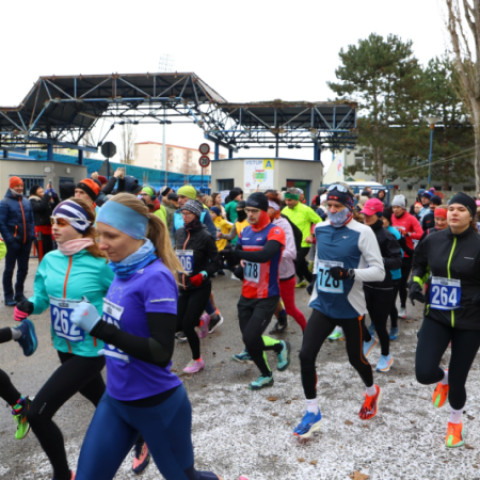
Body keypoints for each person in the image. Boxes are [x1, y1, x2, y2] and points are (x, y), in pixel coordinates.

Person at [69, 193, 224, 480]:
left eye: (111, 236)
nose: (102, 244)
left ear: (136, 234)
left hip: (157, 406)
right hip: (116, 401)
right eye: (100, 234)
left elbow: (161, 351)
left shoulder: (155, 276)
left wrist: (100, 328)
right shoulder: (119, 270)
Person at [13, 198, 115, 480]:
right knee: (102, 399)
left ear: (80, 226)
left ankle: (62, 474)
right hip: (63, 348)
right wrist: (30, 305)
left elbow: (124, 300)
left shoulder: (101, 264)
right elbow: (42, 299)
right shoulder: (50, 260)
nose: (54, 227)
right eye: (53, 221)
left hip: (91, 352)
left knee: (37, 414)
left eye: (61, 222)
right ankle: (140, 433)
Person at [293, 183, 385, 439]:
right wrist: (315, 279)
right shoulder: (320, 228)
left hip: (350, 307)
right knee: (305, 355)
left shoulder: (363, 232)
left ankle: (371, 391)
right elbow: (319, 260)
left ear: (350, 207)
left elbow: (379, 272)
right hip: (323, 304)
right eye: (329, 205)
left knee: (355, 359)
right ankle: (312, 411)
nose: (332, 210)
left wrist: (350, 273)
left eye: (337, 206)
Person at [411, 192, 480, 448]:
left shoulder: (478, 244)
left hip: (470, 321)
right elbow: (419, 265)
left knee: (459, 381)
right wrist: (415, 283)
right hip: (437, 314)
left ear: (471, 216)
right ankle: (443, 378)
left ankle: (455, 422)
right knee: (423, 372)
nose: (454, 213)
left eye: (461, 209)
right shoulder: (433, 239)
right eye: (451, 208)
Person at [230, 192, 290, 390]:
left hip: (267, 295)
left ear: (265, 211)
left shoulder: (275, 231)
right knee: (249, 339)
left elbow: (264, 255)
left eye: (255, 211)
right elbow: (238, 258)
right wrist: (233, 262)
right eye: (248, 210)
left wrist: (237, 253)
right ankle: (278, 346)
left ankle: (266, 375)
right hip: (246, 294)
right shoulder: (245, 231)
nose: (250, 214)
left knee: (251, 338)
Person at [175, 200, 221, 373]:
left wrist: (203, 274)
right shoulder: (180, 232)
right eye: (183, 213)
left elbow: (216, 262)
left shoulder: (205, 236)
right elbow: (176, 254)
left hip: (200, 287)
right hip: (183, 286)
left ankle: (197, 360)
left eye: (188, 214)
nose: (184, 217)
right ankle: (202, 320)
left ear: (196, 215)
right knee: (177, 325)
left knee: (187, 326)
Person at [360, 199, 402, 372]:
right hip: (364, 283)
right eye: (364, 214)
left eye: (369, 215)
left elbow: (397, 261)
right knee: (356, 317)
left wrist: (378, 261)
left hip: (383, 287)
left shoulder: (387, 236)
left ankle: (386, 355)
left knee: (379, 324)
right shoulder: (361, 232)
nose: (366, 217)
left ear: (379, 215)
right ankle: (368, 339)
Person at [266, 194, 306, 333]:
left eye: (267, 207)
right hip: (267, 274)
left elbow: (291, 252)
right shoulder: (261, 223)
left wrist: (269, 255)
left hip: (284, 274)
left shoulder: (283, 224)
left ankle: (308, 332)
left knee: (290, 309)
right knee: (266, 303)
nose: (263, 211)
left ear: (275, 209)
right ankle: (281, 322)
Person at [0, 176, 35, 306]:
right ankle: (8, 296)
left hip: (26, 241)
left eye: (21, 186)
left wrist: (32, 235)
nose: (20, 188)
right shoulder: (4, 203)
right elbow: (1, 223)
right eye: (17, 186)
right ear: (11, 186)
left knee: (23, 269)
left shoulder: (26, 201)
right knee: (9, 269)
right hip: (13, 243)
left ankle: (19, 294)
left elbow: (31, 220)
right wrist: (10, 239)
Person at [390, 194, 423, 319]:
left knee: (401, 283)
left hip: (406, 255)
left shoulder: (411, 218)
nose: (395, 210)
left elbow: (421, 234)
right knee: (391, 283)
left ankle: (403, 306)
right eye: (394, 207)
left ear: (403, 208)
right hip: (392, 254)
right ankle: (390, 307)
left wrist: (408, 234)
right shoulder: (390, 217)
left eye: (398, 207)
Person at [281, 187, 321, 288]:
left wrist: (312, 235)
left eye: (290, 200)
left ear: (296, 199)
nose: (287, 202)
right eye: (286, 200)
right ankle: (312, 282)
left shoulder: (306, 209)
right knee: (301, 265)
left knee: (295, 264)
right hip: (290, 243)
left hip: (303, 243)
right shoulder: (284, 210)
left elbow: (319, 222)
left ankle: (288, 285)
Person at [29, 184, 59, 261]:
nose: (41, 190)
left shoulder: (44, 201)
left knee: (50, 254)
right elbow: (40, 207)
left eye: (42, 189)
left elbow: (56, 206)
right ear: (34, 191)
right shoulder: (32, 201)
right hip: (40, 233)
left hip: (48, 231)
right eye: (39, 189)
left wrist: (54, 196)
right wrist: (46, 195)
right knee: (42, 255)